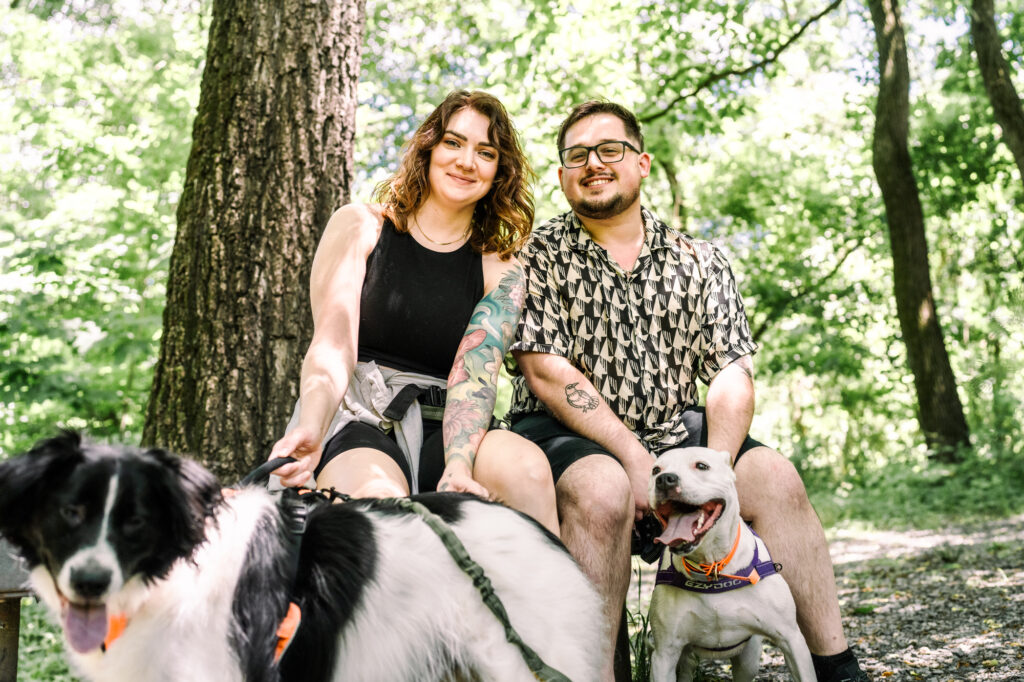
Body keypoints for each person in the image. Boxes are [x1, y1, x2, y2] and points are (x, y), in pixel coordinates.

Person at [507, 100, 869, 681]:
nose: (593, 163)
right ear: (560, 174)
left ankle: (836, 666)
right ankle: (597, 674)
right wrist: (634, 460)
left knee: (773, 477)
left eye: (609, 150)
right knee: (601, 491)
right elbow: (547, 370)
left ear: (642, 162)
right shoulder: (537, 255)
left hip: (677, 430)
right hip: (565, 431)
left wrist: (717, 465)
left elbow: (731, 371)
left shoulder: (700, 260)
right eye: (577, 155)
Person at [270, 90, 558, 536]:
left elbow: (476, 373)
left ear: (499, 172)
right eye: (453, 142)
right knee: (377, 509)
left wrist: (459, 466)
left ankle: (546, 606)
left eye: (486, 152)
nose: (467, 161)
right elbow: (332, 345)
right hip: (362, 413)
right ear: (428, 147)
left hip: (452, 419)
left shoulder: (500, 268)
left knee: (529, 470)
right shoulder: (362, 226)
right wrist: (311, 425)